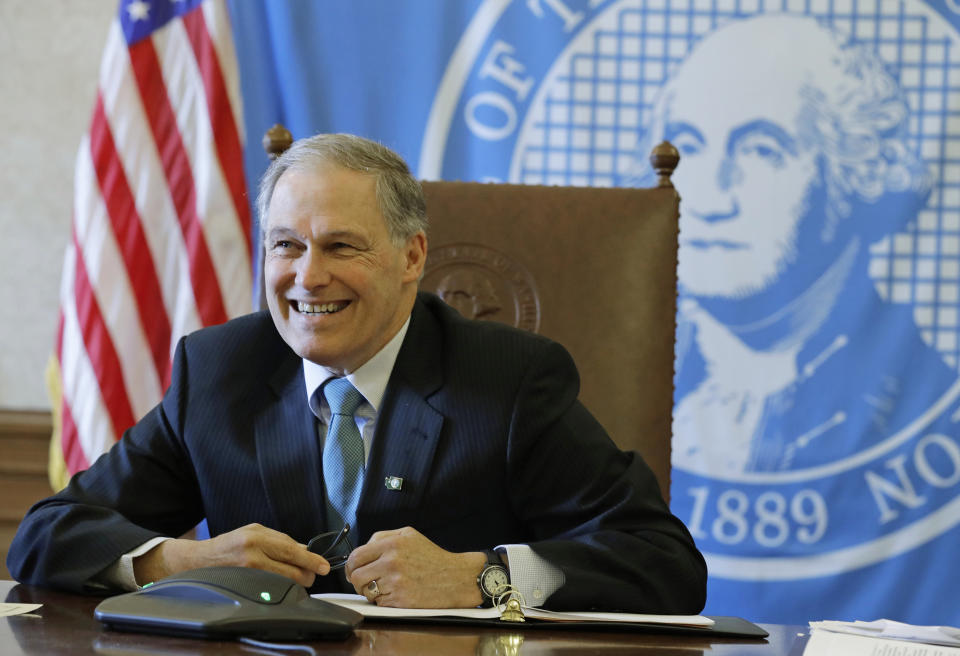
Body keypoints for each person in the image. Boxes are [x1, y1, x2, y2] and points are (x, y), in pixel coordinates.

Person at [9, 133, 706, 613]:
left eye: (341, 245)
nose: (308, 277)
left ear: (412, 257)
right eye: (286, 245)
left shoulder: (510, 381)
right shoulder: (218, 371)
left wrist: (481, 577)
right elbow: (46, 535)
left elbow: (664, 563)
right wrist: (180, 563)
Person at [628, 15, 954, 475]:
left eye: (761, 150)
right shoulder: (616, 387)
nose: (710, 198)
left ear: (853, 174)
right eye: (691, 148)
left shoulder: (924, 401)